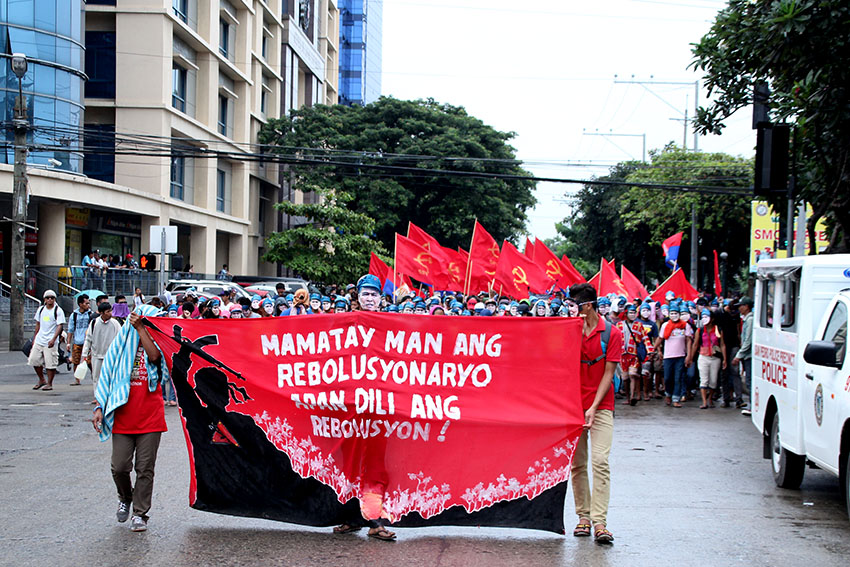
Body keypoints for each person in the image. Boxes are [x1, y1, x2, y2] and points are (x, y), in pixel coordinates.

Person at [91, 304, 169, 532]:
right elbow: (105, 377)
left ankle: (140, 513)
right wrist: (98, 407)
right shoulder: (119, 347)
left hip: (150, 416)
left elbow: (154, 357)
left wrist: (143, 330)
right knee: (120, 466)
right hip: (123, 416)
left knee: (145, 468)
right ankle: (125, 497)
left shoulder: (156, 344)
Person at [334, 274, 396, 540]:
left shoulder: (393, 325)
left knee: (374, 465)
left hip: (380, 410)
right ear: (357, 296)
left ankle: (376, 521)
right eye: (365, 293)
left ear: (381, 299)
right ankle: (349, 517)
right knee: (347, 463)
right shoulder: (343, 323)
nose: (369, 298)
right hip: (350, 409)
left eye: (374, 294)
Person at [568, 283, 621, 544]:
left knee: (600, 461)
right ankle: (583, 518)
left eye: (573, 305)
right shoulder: (569, 330)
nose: (569, 310)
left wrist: (592, 408)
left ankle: (600, 522)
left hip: (601, 406)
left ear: (587, 306)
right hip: (572, 406)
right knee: (577, 465)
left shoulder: (613, 333)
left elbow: (609, 374)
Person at [82, 302, 122, 405]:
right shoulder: (94, 323)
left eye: (110, 311)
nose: (110, 313)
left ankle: (110, 396)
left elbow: (121, 339)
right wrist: (85, 354)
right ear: (101, 313)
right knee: (96, 377)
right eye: (108, 311)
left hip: (111, 356)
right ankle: (98, 397)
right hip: (96, 355)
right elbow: (88, 339)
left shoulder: (115, 323)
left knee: (111, 377)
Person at [688, 310, 727, 409]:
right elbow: (695, 344)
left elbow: (722, 344)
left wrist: (724, 359)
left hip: (715, 358)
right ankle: (704, 401)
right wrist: (691, 358)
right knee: (704, 380)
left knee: (713, 381)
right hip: (703, 357)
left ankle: (710, 398)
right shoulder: (700, 330)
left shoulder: (718, 330)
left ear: (712, 319)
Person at [656, 304, 693, 408]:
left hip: (680, 355)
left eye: (676, 313)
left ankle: (676, 398)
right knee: (667, 378)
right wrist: (653, 349)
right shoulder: (665, 326)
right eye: (672, 313)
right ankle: (668, 394)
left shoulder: (685, 325)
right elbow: (660, 338)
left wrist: (688, 356)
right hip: (668, 356)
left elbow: (688, 341)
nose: (674, 315)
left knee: (678, 378)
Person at [29, 290, 66, 392]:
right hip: (40, 339)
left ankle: (49, 383)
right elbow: (38, 324)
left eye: (52, 298)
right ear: (44, 299)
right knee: (34, 360)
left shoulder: (58, 310)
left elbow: (60, 325)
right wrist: (35, 337)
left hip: (51, 340)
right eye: (48, 298)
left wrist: (54, 339)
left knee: (50, 363)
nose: (50, 299)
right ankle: (42, 379)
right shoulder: (41, 310)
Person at [733, 297, 754, 415]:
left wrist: (739, 355)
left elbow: (748, 340)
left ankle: (752, 406)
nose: (739, 308)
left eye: (741, 305)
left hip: (748, 355)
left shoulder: (750, 320)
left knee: (750, 381)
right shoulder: (747, 319)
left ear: (746, 306)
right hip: (746, 355)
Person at [67, 294, 93, 385]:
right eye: (86, 303)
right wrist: (68, 343)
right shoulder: (74, 315)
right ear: (80, 304)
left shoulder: (90, 314)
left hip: (88, 342)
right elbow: (70, 330)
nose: (88, 305)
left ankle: (94, 378)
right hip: (77, 341)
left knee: (90, 362)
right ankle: (77, 379)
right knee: (76, 361)